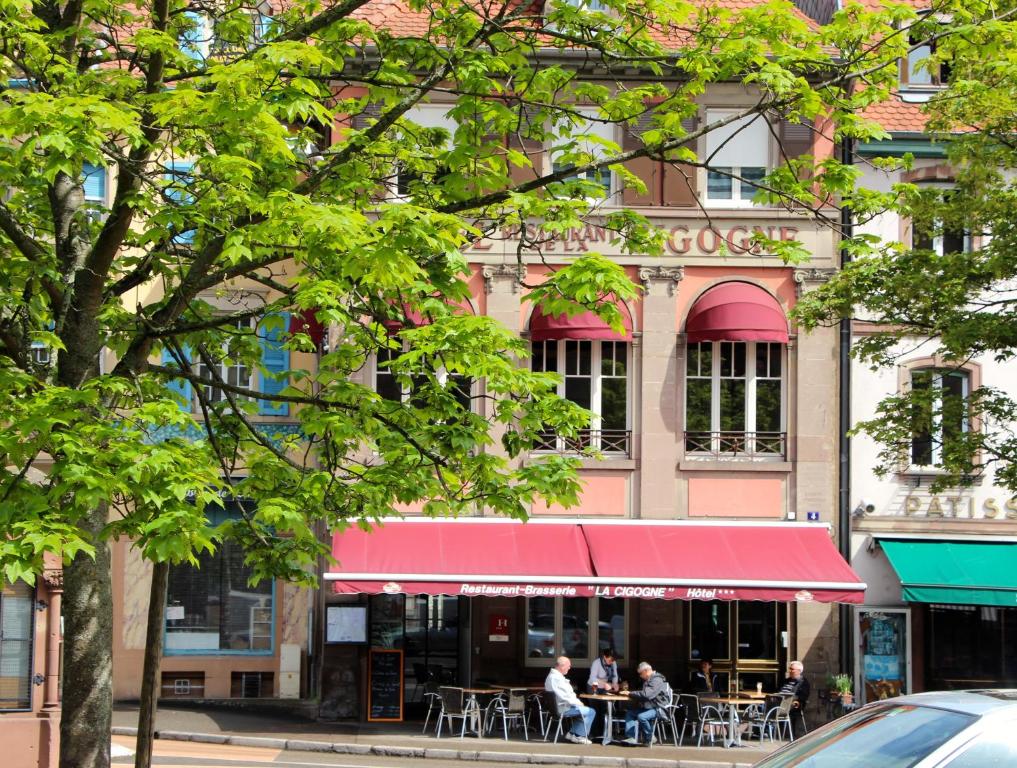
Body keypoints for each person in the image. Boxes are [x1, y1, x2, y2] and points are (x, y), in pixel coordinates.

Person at [545, 656, 595, 744]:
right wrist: (579, 703)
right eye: (568, 665)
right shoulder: (556, 678)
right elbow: (565, 696)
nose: (569, 667)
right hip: (562, 708)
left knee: (583, 711)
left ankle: (572, 733)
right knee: (590, 711)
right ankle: (579, 735)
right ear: (562, 666)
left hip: (559, 707)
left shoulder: (553, 676)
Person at [623, 662, 670, 746]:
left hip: (659, 708)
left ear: (645, 671)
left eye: (640, 674)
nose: (640, 676)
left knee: (641, 717)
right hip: (650, 707)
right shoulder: (649, 680)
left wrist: (630, 693)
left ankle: (650, 736)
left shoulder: (656, 680)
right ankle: (631, 737)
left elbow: (647, 694)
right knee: (630, 713)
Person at [778, 660, 811, 738]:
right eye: (790, 668)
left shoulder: (803, 682)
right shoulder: (785, 681)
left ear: (799, 671)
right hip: (779, 702)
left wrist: (797, 701)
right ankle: (765, 731)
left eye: (792, 669)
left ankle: (790, 734)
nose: (790, 671)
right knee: (762, 707)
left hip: (793, 705)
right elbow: (778, 690)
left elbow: (803, 696)